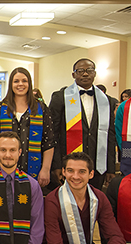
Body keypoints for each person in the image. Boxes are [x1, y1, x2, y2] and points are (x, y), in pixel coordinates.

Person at [50, 58, 117, 190]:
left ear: (94, 73)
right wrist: (57, 165)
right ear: (73, 74)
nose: (85, 74)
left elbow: (110, 135)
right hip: (68, 164)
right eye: (80, 71)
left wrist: (111, 168)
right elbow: (54, 134)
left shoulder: (107, 100)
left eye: (89, 70)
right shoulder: (60, 97)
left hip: (97, 166)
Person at [0, 68, 55, 189]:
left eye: (24, 81)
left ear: (29, 83)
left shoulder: (41, 108)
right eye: (16, 81)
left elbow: (48, 141)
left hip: (34, 170)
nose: (20, 84)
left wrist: (46, 169)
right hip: (4, 169)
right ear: (11, 84)